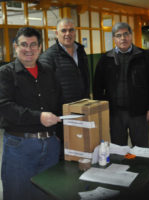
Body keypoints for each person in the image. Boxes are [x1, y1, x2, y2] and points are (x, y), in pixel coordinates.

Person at [0, 27, 61, 200]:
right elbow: (5, 107)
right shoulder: (5, 74)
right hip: (20, 146)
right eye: (23, 44)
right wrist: (39, 117)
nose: (28, 49)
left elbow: (58, 103)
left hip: (51, 144)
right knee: (18, 193)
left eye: (33, 45)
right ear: (15, 46)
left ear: (40, 48)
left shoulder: (48, 72)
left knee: (48, 193)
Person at [93, 22, 149, 147]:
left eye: (126, 34)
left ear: (131, 36)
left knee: (141, 149)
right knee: (118, 149)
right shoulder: (105, 59)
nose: (123, 38)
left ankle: (140, 167)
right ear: (114, 39)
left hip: (139, 113)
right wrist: (102, 110)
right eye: (118, 35)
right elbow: (97, 87)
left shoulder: (145, 57)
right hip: (115, 114)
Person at [39, 18, 90, 157]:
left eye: (71, 30)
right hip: (61, 116)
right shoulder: (48, 57)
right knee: (64, 154)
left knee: (81, 149)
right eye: (63, 30)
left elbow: (86, 80)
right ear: (56, 33)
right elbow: (44, 92)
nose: (68, 33)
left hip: (81, 111)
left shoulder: (81, 51)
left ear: (75, 32)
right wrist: (54, 121)